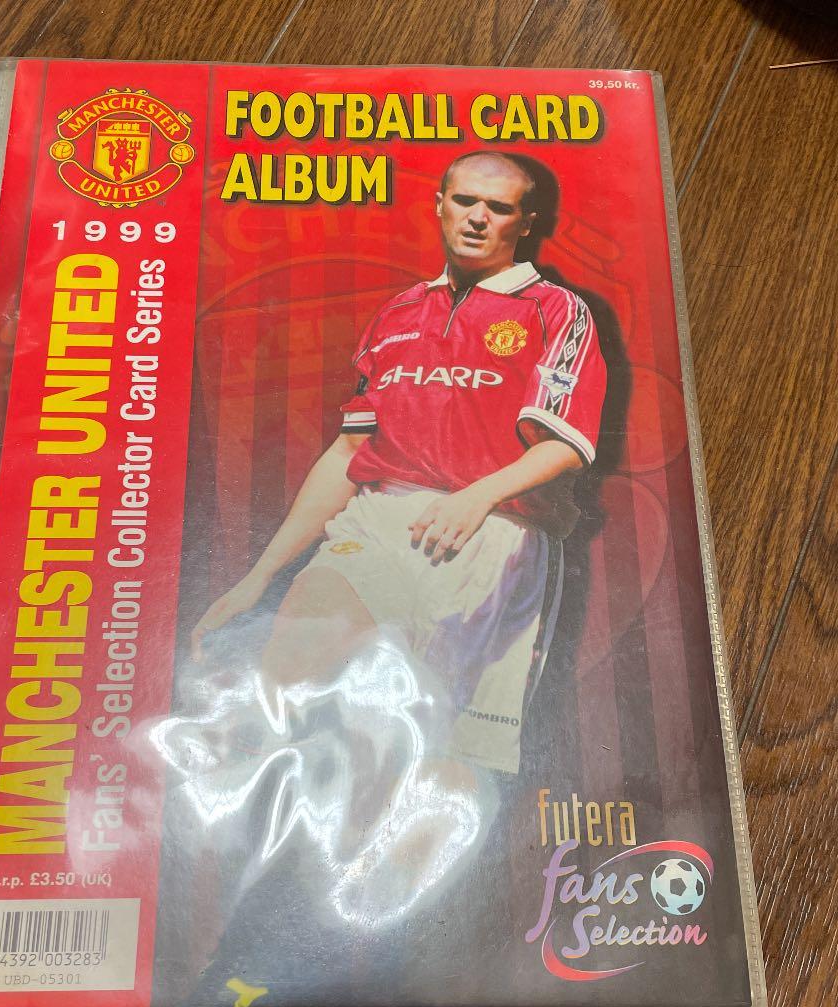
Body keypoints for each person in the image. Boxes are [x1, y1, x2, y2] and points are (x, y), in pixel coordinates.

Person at [191, 150, 607, 776]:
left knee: (439, 769)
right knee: (290, 669)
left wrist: (476, 496)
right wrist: (258, 576)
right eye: (465, 200)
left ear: (525, 223)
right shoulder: (398, 313)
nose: (477, 218)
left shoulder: (555, 310)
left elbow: (566, 444)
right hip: (381, 521)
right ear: (440, 206)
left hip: (496, 538)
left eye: (498, 208)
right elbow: (349, 451)